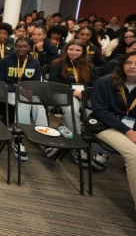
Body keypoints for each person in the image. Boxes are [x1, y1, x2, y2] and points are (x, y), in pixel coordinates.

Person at [91, 51, 136, 208]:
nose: (132, 66)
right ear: (122, 65)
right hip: (105, 125)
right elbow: (100, 111)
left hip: (131, 128)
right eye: (129, 63)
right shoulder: (106, 82)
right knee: (133, 154)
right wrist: (127, 131)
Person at [0, 37, 47, 161]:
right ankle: (18, 140)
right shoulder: (6, 61)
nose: (21, 49)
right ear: (14, 47)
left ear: (30, 48)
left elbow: (36, 82)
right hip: (10, 92)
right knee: (23, 104)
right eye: (18, 46)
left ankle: (45, 138)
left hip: (28, 93)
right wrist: (19, 89)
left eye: (24, 46)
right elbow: (1, 83)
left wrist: (31, 90)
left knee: (39, 106)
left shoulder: (35, 63)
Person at [49, 39, 99, 135]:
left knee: (90, 110)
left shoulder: (89, 65)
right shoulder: (58, 64)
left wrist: (87, 93)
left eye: (78, 50)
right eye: (71, 49)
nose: (73, 52)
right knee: (72, 110)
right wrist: (72, 91)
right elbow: (54, 84)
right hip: (63, 92)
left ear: (83, 51)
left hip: (84, 94)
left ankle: (92, 135)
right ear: (66, 50)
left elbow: (96, 82)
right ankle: (76, 136)